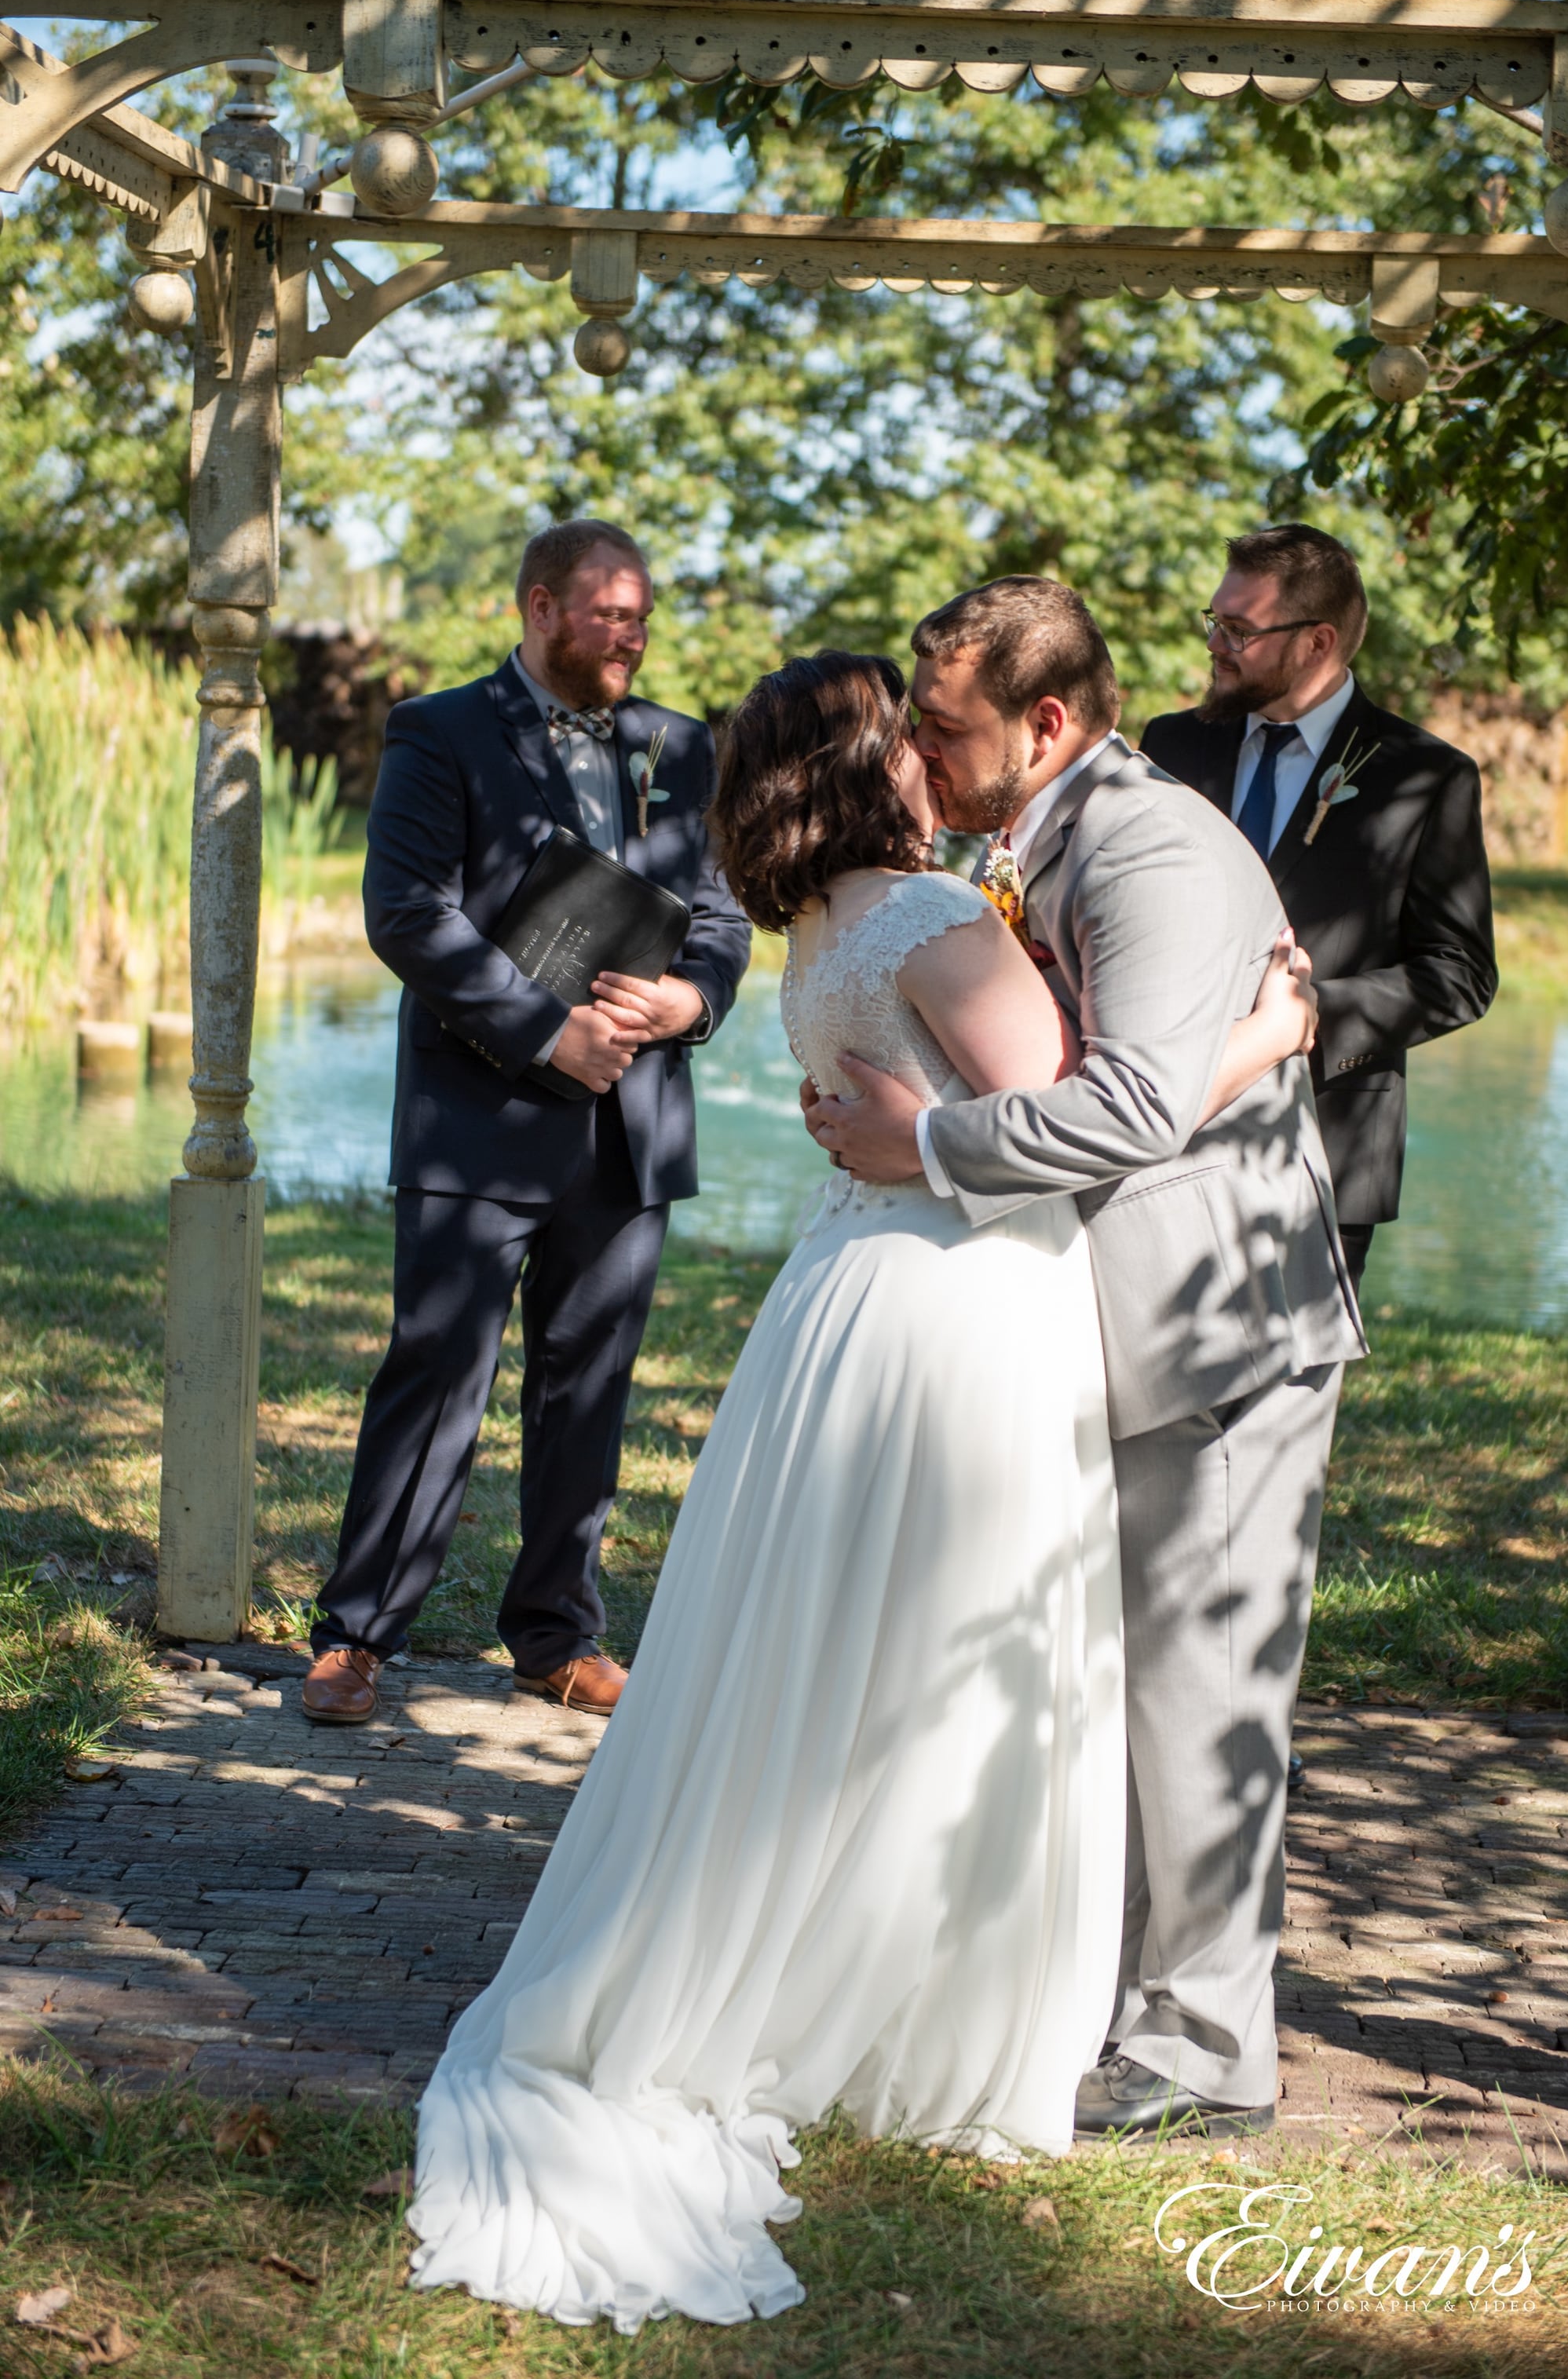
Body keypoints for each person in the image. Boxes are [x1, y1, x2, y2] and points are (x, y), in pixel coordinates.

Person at [406, 651, 1318, 2330]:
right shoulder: (932, 917)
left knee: (843, 1652)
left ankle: (840, 1948)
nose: (929, 744)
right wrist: (1259, 1030)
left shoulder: (820, 922)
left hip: (857, 1298)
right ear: (868, 757)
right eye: (908, 726)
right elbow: (1079, 1111)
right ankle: (913, 2000)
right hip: (959, 1307)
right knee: (945, 1664)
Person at [807, 579, 1366, 2143]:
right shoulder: (1025, 840)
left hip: (1215, 1333)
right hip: (1103, 1325)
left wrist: (929, 1145)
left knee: (1201, 1701)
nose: (921, 741)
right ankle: (1098, 1992)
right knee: (1104, 1689)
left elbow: (1129, 1105)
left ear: (1045, 720)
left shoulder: (1150, 847)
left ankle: (1206, 2049)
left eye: (947, 720)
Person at [299, 519, 750, 1727]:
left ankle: (557, 1636)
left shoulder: (680, 747)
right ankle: (357, 1639)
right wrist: (548, 1031)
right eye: (608, 613)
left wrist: (689, 998)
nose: (630, 634)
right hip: (480, 1120)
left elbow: (721, 914)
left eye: (641, 616)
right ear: (540, 608)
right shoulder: (440, 731)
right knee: (439, 1370)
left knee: (588, 1384)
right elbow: (405, 912)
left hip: (632, 1123)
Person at [1141, 523, 1499, 1290]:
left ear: (1316, 641)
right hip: (1161, 1126)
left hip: (1324, 1139)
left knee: (1286, 1402)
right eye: (1214, 621)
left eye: (1239, 629)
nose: (1215, 644)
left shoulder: (1426, 778)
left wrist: (1307, 1015)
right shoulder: (1168, 747)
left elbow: (1459, 972)